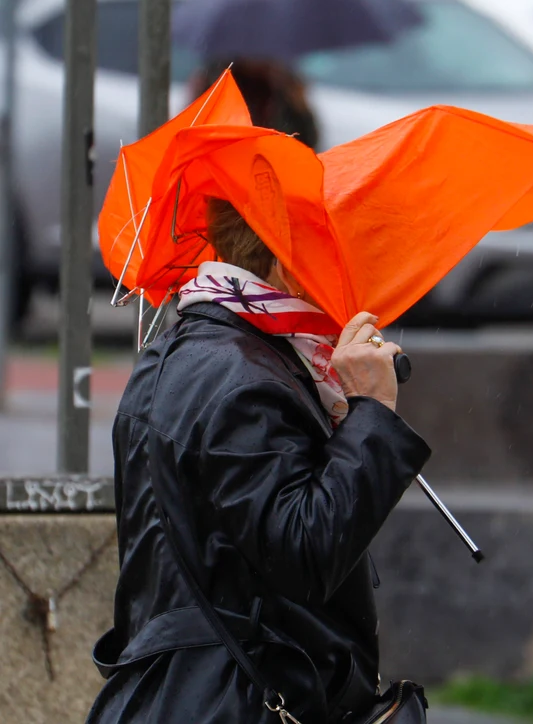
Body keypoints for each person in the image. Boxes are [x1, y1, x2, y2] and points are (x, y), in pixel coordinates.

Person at [85, 197, 430, 723]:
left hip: (183, 690)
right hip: (237, 700)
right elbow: (307, 550)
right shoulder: (246, 379)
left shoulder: (179, 355)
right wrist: (372, 414)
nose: (345, 277)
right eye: (332, 254)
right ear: (288, 263)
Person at [190, 58, 321, 149]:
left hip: (271, 169)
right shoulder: (219, 78)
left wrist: (300, 107)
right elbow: (193, 131)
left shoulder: (283, 83)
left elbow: (308, 141)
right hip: (226, 169)